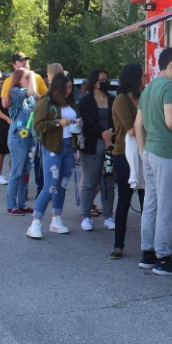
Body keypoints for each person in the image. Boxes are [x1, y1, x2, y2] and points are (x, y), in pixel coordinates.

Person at [134, 47, 172, 276]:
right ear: (171, 64)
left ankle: (147, 255)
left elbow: (138, 125)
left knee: (150, 205)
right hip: (167, 154)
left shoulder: (148, 88)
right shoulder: (169, 87)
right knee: (167, 208)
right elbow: (171, 121)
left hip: (150, 152)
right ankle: (163, 258)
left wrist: (143, 150)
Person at [26, 72, 80, 238]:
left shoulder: (72, 103)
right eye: (67, 87)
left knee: (62, 186)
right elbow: (38, 125)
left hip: (69, 148)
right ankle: (35, 222)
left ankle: (56, 218)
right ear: (58, 87)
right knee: (50, 186)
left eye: (71, 87)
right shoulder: (46, 102)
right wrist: (58, 122)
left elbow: (75, 125)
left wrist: (77, 141)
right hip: (51, 148)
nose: (70, 91)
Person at [109, 63, 146, 260]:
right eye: (142, 75)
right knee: (124, 199)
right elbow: (131, 130)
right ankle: (118, 245)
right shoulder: (121, 100)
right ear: (133, 78)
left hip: (144, 152)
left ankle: (148, 245)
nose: (145, 78)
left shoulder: (143, 97)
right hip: (125, 154)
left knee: (146, 200)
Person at [77, 69, 116, 231]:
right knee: (89, 182)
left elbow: (117, 118)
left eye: (107, 79)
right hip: (92, 144)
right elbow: (86, 121)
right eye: (102, 79)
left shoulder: (113, 99)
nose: (105, 82)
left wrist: (111, 133)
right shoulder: (85, 100)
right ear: (94, 82)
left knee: (108, 182)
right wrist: (102, 133)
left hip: (110, 144)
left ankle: (108, 215)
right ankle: (86, 216)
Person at [5, 67, 37, 215]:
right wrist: (31, 73)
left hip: (29, 136)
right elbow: (32, 91)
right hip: (18, 136)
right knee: (16, 172)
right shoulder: (16, 92)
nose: (30, 81)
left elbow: (37, 96)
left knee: (25, 171)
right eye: (26, 78)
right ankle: (11, 205)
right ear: (18, 79)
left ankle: (22, 203)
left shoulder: (29, 96)